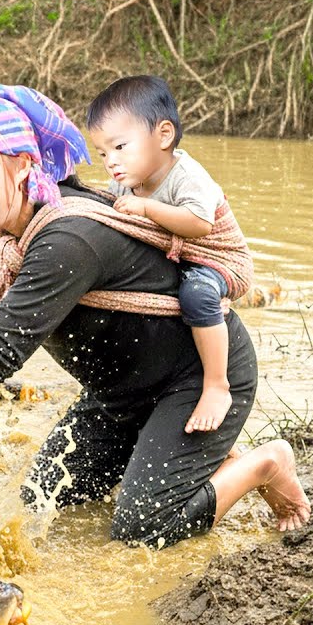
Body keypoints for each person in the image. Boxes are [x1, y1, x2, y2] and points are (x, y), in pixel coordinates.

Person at [0, 83, 310, 549]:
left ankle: (265, 463)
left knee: (143, 530)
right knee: (40, 507)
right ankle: (186, 455)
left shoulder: (67, 239)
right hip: (118, 397)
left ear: (22, 165)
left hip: (192, 382)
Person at [85, 75, 253, 435]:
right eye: (102, 153)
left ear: (163, 135)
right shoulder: (126, 180)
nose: (111, 162)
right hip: (179, 257)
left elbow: (199, 224)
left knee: (196, 295)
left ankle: (216, 385)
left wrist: (147, 208)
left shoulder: (187, 176)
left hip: (219, 261)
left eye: (120, 147)